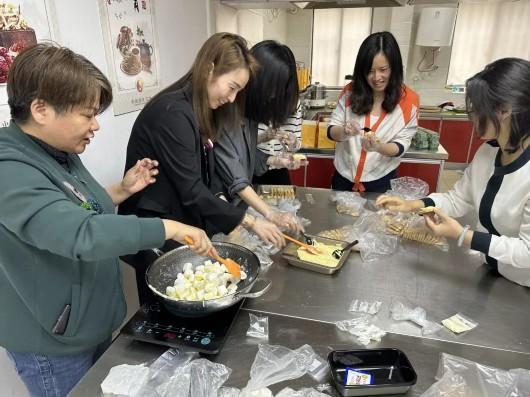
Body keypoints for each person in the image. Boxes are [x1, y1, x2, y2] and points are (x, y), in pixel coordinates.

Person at [0, 43, 213, 397]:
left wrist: (122, 189)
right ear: (41, 109)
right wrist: (170, 228)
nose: (96, 125)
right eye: (87, 114)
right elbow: (80, 233)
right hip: (53, 340)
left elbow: (76, 207)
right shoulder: (10, 168)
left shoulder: (56, 150)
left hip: (88, 319)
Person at [118, 33, 286, 304]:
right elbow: (192, 190)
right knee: (167, 302)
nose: (232, 99)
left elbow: (207, 173)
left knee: (194, 291)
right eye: (231, 87)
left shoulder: (195, 109)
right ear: (210, 68)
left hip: (177, 220)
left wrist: (226, 207)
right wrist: (250, 221)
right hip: (154, 225)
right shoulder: (172, 112)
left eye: (238, 92)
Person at [376, 58, 530, 288]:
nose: (472, 117)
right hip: (493, 274)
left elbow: (526, 253)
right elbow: (457, 200)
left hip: (521, 287)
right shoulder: (487, 153)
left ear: (505, 109)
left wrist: (462, 235)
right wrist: (411, 205)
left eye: (478, 109)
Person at [213, 40, 305, 230]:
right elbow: (235, 174)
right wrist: (269, 214)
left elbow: (248, 157)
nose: (273, 97)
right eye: (273, 89)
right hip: (223, 204)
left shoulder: (250, 111)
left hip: (238, 201)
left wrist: (275, 161)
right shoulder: (227, 107)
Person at [327, 31, 419, 193]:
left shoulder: (409, 101)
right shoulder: (350, 92)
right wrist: (345, 131)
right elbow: (331, 131)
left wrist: (379, 147)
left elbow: (401, 145)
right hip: (343, 178)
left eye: (383, 69)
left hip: (380, 181)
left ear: (394, 67)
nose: (377, 77)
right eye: (370, 71)